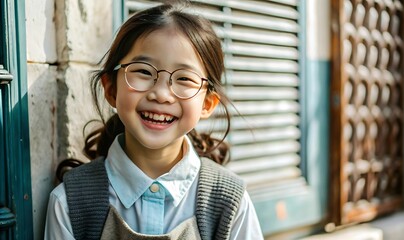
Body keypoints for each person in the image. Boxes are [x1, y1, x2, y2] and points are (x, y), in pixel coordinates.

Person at [44, 2, 263, 240]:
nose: (161, 94)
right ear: (111, 89)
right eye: (144, 72)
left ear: (207, 104)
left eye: (184, 79)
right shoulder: (70, 202)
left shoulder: (230, 202)